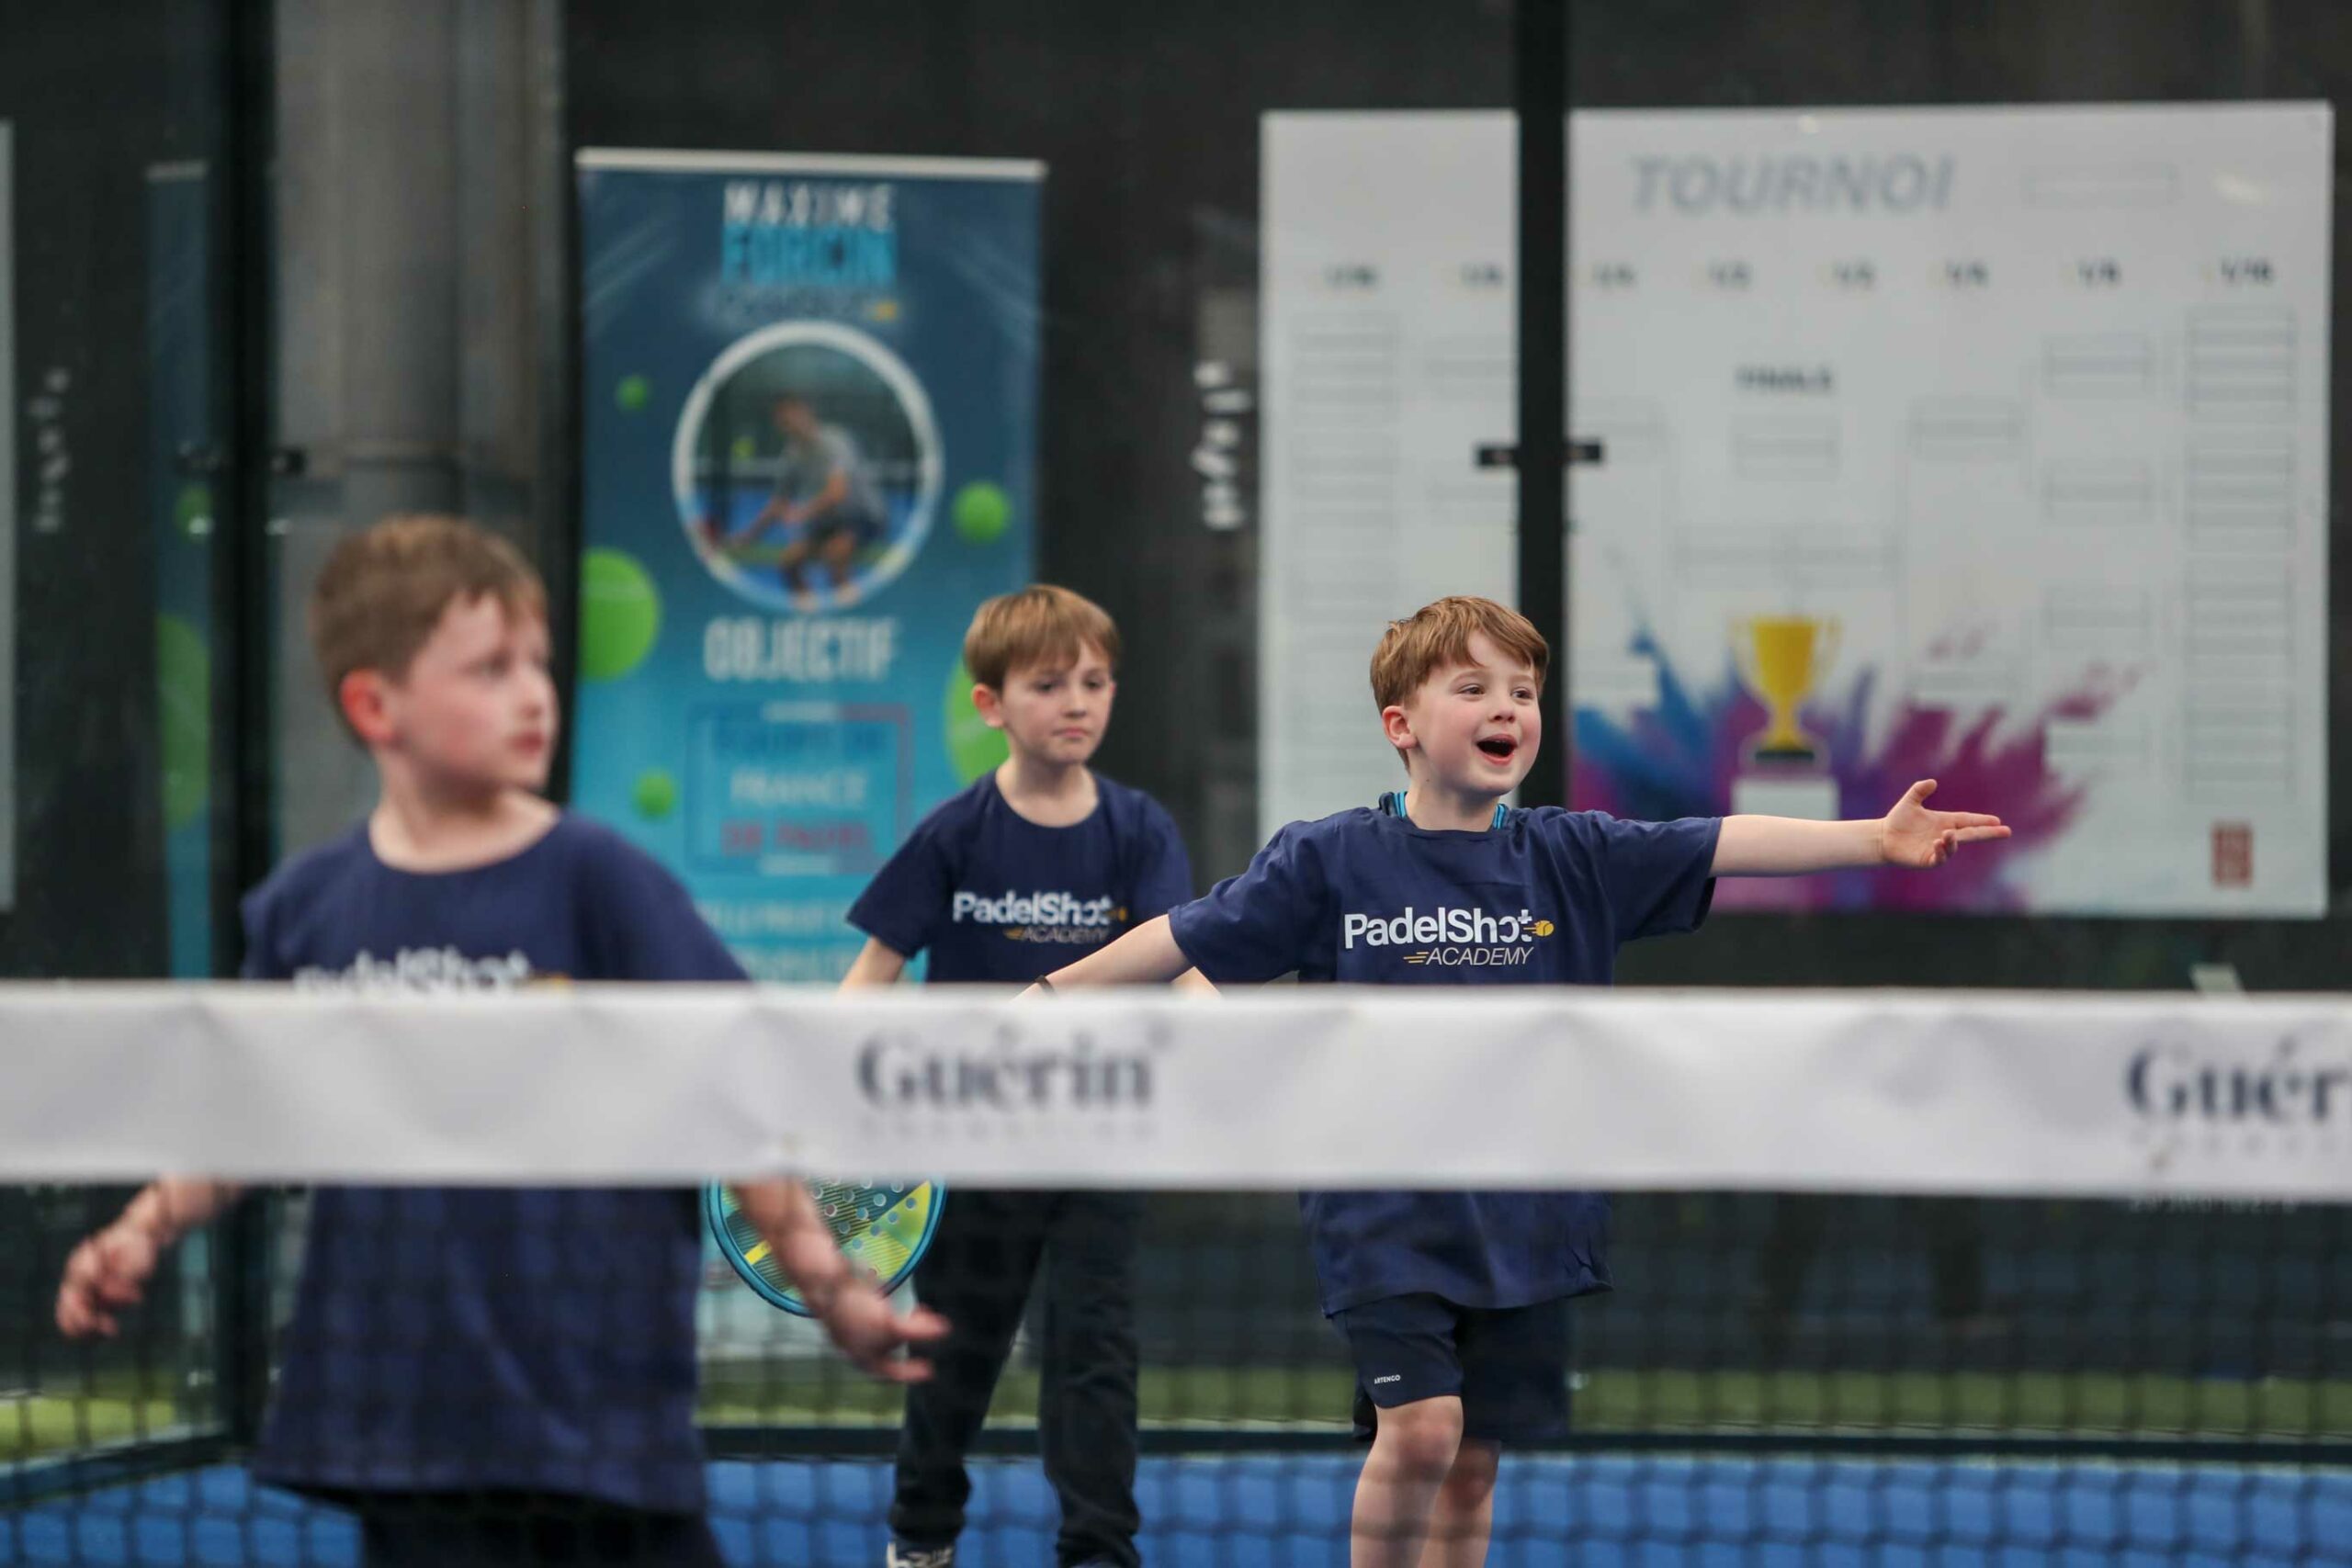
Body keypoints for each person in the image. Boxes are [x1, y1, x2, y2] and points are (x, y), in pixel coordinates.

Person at [1018, 594, 2009, 1568]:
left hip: (1529, 1215)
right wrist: (1043, 999)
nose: (1508, 708)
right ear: (1400, 725)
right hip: (1383, 1213)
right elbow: (1183, 938)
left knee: (1473, 1466)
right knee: (1418, 1432)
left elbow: (1719, 839)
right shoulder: (1329, 859)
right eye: (1474, 687)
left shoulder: (1574, 856)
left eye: (1523, 691)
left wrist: (1873, 841)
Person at [54, 514, 944, 1567]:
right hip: (405, 1425)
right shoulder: (308, 907)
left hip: (598, 1415)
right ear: (373, 705)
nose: (532, 693)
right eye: (489, 669)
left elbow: (729, 1086)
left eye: (538, 664)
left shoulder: (598, 879)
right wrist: (143, 1226)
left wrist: (827, 1279)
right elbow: (257, 1116)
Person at [842, 584, 1206, 1568]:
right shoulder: (954, 834)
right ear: (991, 705)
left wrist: (1239, 1056)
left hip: (1098, 1139)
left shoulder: (1138, 831)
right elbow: (872, 975)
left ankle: (1097, 1551)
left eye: (1094, 681)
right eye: (1048, 684)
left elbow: (1180, 961)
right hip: (974, 1147)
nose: (1077, 701)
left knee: (1094, 1355)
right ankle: (921, 1535)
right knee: (953, 1356)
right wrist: (821, 1084)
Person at [720, 392, 889, 611]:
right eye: (784, 421)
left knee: (835, 554)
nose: (790, 424)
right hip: (826, 523)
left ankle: (853, 613)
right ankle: (809, 615)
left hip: (864, 517)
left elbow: (837, 492)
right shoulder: (791, 455)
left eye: (793, 417)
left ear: (807, 414)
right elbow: (778, 504)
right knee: (789, 562)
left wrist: (802, 513)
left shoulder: (835, 442)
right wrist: (749, 536)